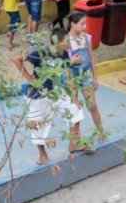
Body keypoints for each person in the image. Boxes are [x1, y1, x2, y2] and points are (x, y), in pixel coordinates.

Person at [12, 28, 87, 165]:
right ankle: (42, 156)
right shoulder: (41, 53)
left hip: (55, 92)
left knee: (75, 111)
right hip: (37, 96)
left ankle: (74, 143)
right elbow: (17, 59)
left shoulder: (64, 54)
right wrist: (30, 79)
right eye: (67, 41)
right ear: (57, 42)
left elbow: (67, 74)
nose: (69, 44)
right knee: (38, 125)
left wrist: (73, 97)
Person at [65, 11, 104, 141]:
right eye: (82, 24)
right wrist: (72, 62)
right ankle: (77, 138)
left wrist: (95, 78)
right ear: (72, 24)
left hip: (85, 75)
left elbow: (92, 59)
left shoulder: (86, 38)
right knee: (75, 108)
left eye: (85, 24)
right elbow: (62, 64)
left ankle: (100, 132)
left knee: (92, 105)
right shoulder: (66, 41)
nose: (84, 27)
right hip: (72, 78)